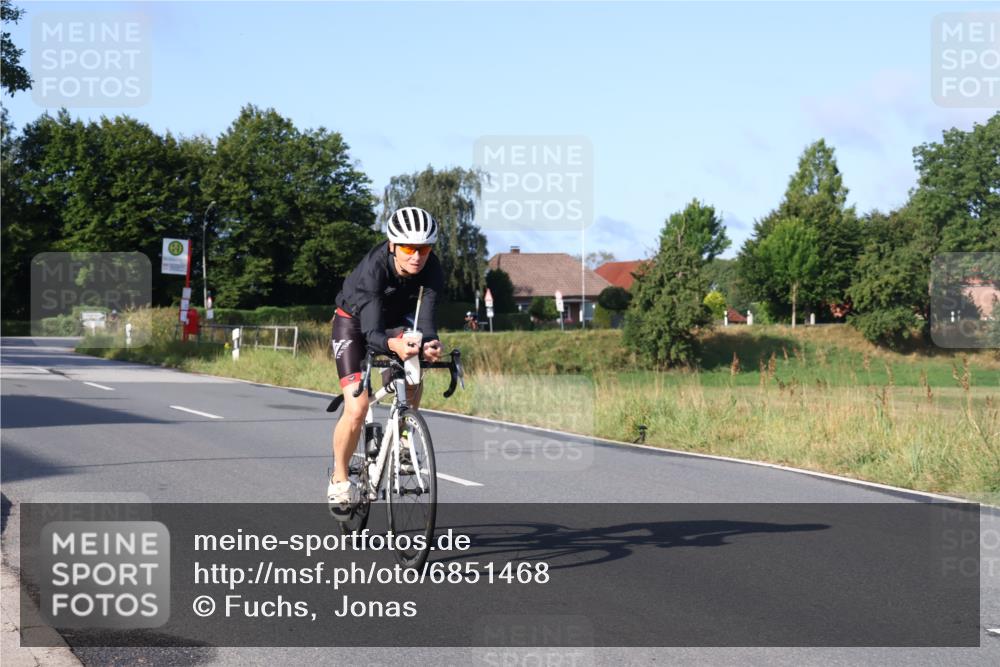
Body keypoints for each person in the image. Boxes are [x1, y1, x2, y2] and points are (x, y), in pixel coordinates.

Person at [327, 206, 444, 519]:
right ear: (393, 245)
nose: (417, 256)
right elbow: (371, 332)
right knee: (357, 407)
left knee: (416, 360)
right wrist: (394, 344)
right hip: (353, 322)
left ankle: (404, 434)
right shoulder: (374, 270)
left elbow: (427, 319)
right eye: (408, 248)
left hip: (393, 321)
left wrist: (430, 344)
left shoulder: (432, 268)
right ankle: (339, 477)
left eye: (424, 248)